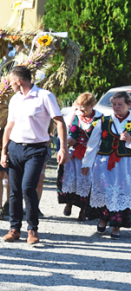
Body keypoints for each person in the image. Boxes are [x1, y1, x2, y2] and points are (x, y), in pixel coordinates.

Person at [0, 66, 69, 244]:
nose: (9, 85)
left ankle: (32, 229)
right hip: (15, 147)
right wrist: (3, 151)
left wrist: (63, 148)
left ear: (19, 81)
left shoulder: (45, 96)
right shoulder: (15, 99)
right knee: (14, 190)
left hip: (36, 148)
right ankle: (14, 228)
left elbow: (59, 122)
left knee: (28, 187)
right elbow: (9, 126)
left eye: (10, 81)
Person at [82, 91, 131, 238]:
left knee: (122, 192)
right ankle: (103, 219)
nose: (116, 107)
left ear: (129, 105)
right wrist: (86, 163)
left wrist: (129, 140)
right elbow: (93, 144)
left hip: (126, 165)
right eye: (114, 104)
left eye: (120, 104)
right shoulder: (104, 121)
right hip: (104, 164)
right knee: (105, 191)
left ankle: (116, 226)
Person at [57, 93, 101, 221]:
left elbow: (103, 136)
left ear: (92, 105)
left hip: (89, 155)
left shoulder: (100, 118)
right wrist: (67, 141)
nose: (81, 110)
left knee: (87, 182)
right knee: (71, 179)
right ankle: (68, 203)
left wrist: (94, 144)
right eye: (79, 107)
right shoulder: (72, 116)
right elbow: (62, 132)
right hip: (73, 154)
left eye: (84, 107)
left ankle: (83, 210)